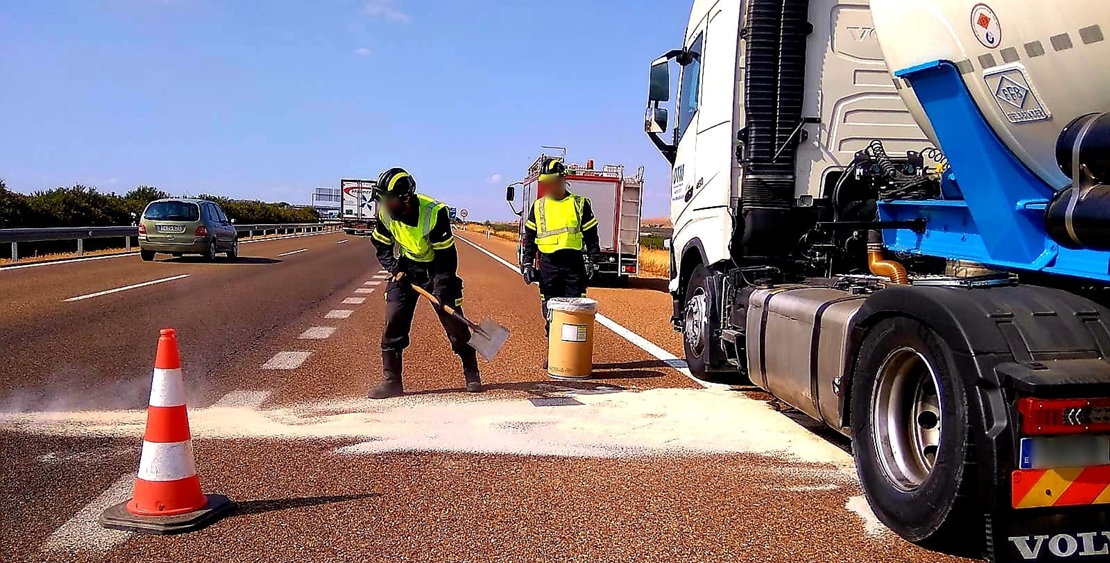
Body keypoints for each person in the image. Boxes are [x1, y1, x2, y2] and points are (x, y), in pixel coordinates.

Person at [368, 166, 481, 399]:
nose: (384, 206)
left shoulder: (434, 213)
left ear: (405, 199)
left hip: (437, 268)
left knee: (455, 326)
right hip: (407, 268)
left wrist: (441, 288)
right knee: (393, 321)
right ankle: (392, 382)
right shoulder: (385, 214)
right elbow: (381, 246)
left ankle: (471, 371)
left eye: (389, 200)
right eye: (382, 200)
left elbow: (447, 257)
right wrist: (396, 268)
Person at [520, 158, 602, 341]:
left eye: (552, 182)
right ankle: (554, 353)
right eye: (545, 183)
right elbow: (530, 239)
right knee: (550, 311)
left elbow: (591, 237)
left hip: (573, 265)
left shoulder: (580, 204)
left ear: (563, 179)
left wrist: (593, 261)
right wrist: (526, 264)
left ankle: (572, 357)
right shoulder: (539, 206)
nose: (549, 186)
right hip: (548, 265)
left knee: (573, 311)